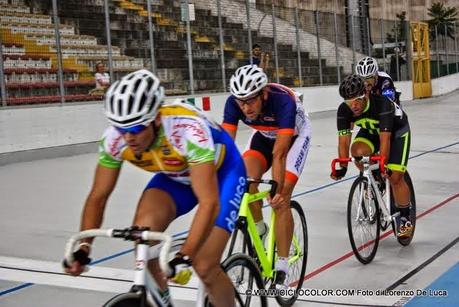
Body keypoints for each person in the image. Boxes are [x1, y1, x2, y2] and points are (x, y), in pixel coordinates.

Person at [64, 69, 246, 307]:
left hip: (222, 174)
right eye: (121, 128)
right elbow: (98, 196)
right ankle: (162, 301)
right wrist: (84, 247)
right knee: (143, 241)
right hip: (175, 177)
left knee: (204, 264)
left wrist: (185, 256)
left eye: (136, 129)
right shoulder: (114, 139)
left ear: (156, 119)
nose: (128, 137)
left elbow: (209, 203)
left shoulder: (187, 130)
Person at [222, 64, 311, 289]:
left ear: (263, 94)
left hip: (293, 138)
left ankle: (281, 265)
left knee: (280, 200)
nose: (245, 107)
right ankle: (260, 229)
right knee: (245, 182)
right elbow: (225, 146)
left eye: (251, 100)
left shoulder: (283, 102)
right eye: (241, 101)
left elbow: (279, 153)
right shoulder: (235, 104)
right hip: (263, 136)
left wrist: (277, 191)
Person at [331, 74, 413, 239]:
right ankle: (374, 178)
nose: (353, 106)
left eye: (357, 100)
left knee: (396, 177)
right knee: (357, 152)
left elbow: (385, 140)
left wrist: (384, 166)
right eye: (348, 101)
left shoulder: (382, 105)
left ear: (366, 94)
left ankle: (405, 218)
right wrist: (343, 167)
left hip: (396, 133)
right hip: (371, 132)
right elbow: (344, 141)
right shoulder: (344, 110)